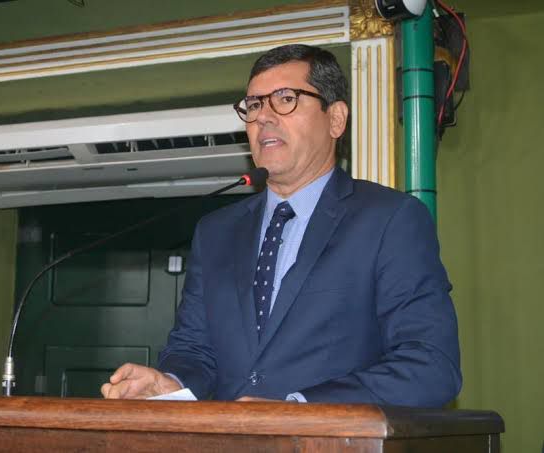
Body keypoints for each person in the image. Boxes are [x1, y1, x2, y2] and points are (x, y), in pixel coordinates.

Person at [101, 44, 461, 406]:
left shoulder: (390, 219)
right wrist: (170, 383)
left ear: (336, 119)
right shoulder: (215, 232)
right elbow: (194, 350)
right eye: (254, 105)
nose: (263, 117)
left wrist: (299, 409)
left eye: (286, 99)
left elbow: (431, 365)